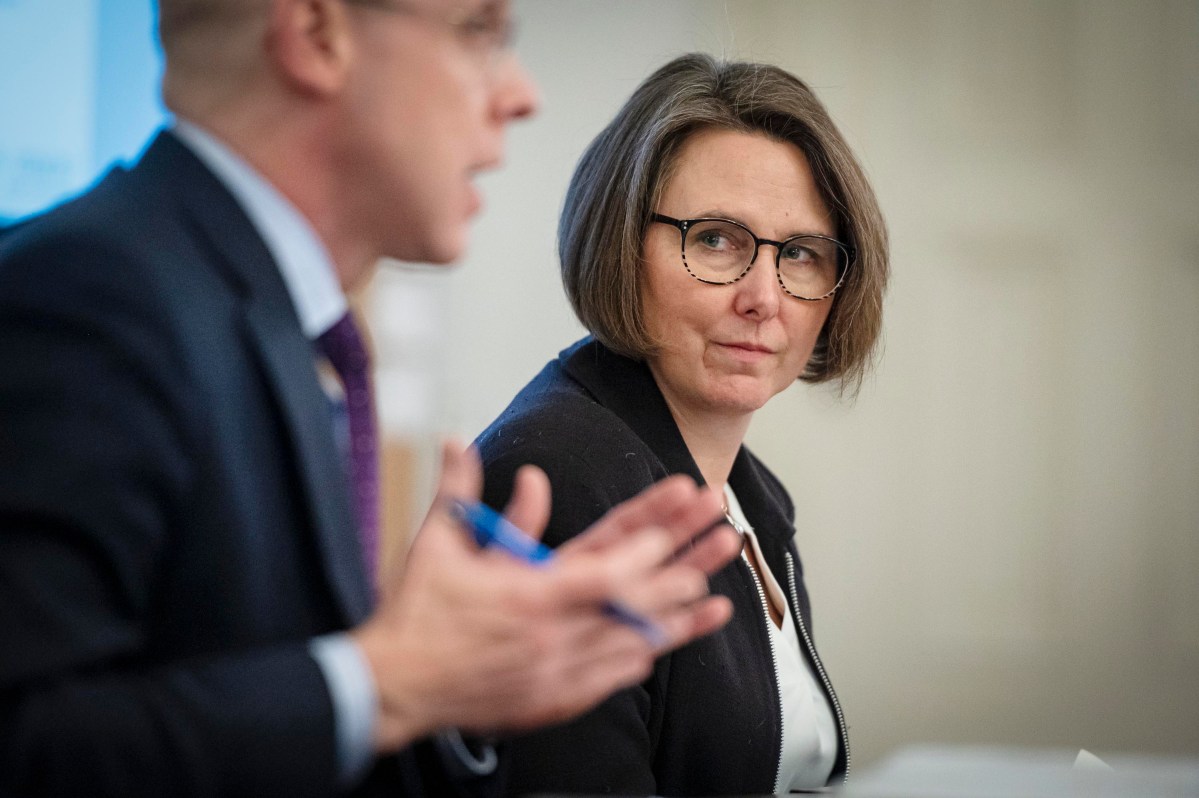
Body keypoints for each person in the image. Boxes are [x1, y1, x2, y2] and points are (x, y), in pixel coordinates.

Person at [0, 4, 743, 797]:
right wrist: (389, 680)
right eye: (479, 33)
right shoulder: (87, 295)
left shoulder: (270, 324)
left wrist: (463, 681)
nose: (521, 94)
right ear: (318, 35)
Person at [476, 53, 889, 796]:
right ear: (619, 245)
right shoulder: (557, 475)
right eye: (714, 240)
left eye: (798, 253)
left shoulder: (753, 496)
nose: (763, 297)